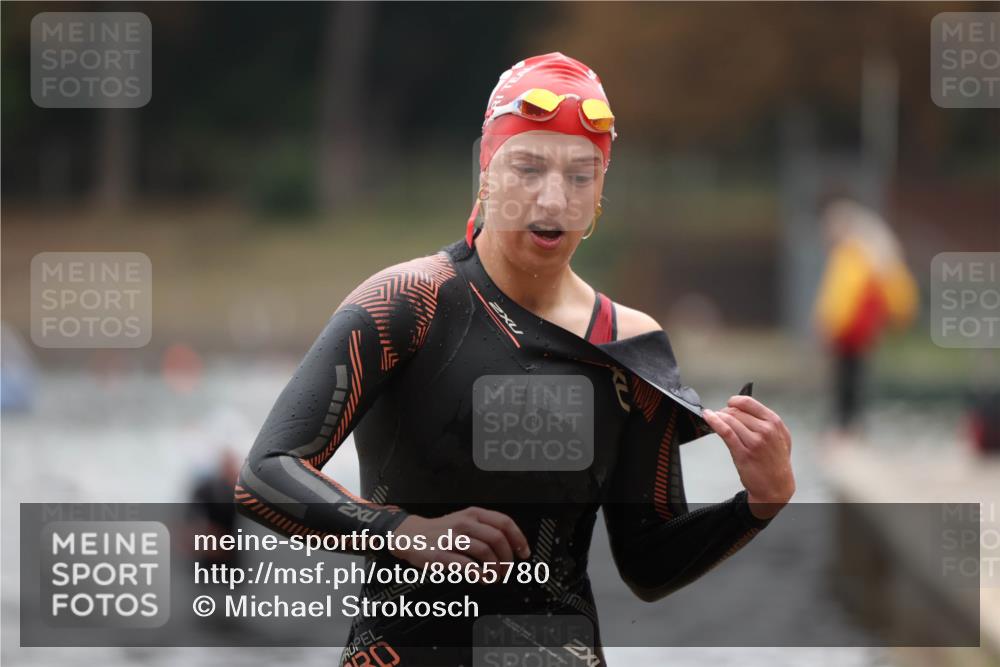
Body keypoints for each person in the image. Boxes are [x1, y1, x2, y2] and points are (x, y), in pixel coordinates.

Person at [236, 52, 795, 666]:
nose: (553, 199)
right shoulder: (411, 303)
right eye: (528, 168)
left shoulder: (628, 343)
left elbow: (650, 564)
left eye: (581, 176)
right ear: (487, 169)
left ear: (601, 189)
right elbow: (265, 474)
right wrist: (404, 533)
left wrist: (758, 505)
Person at [813, 197, 917, 438]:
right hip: (860, 333)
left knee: (846, 382)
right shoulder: (871, 254)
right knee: (853, 381)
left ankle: (845, 430)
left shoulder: (853, 255)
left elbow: (840, 297)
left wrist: (827, 326)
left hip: (849, 333)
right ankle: (850, 428)